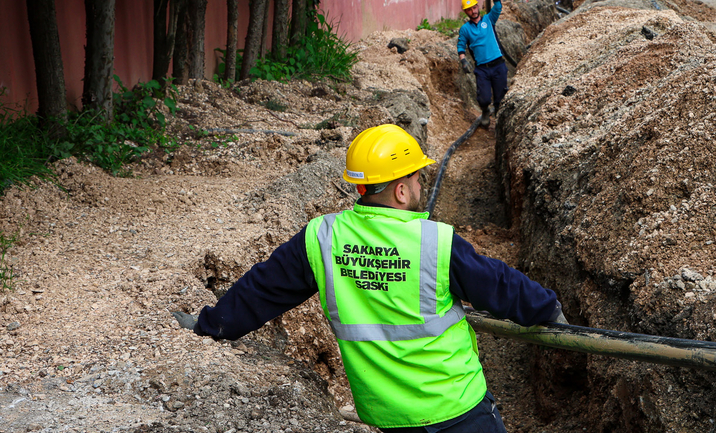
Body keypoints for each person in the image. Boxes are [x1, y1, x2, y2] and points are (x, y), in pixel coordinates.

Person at [173, 124, 566, 433]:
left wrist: (210, 326)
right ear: (399, 191)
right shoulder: (435, 242)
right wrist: (548, 309)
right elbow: (500, 286)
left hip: (388, 415)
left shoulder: (322, 239)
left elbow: (262, 289)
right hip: (456, 408)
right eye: (415, 179)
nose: (419, 185)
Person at [457, 0, 506, 127]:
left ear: (478, 6)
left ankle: (500, 121)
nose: (473, 11)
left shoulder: (488, 19)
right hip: (482, 69)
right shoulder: (465, 29)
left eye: (474, 7)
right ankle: (485, 111)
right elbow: (461, 45)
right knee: (484, 98)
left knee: (500, 97)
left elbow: (498, 6)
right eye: (469, 10)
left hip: (498, 64)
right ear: (465, 12)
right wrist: (463, 60)